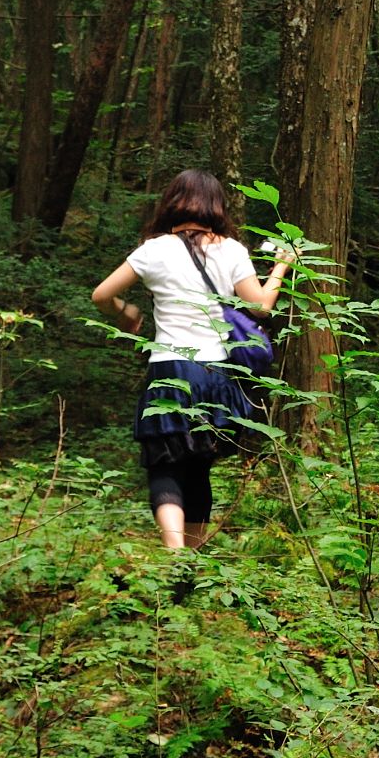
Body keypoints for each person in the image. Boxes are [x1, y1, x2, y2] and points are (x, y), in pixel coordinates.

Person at [91, 169, 291, 550]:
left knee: (164, 464)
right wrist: (282, 264)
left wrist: (126, 314)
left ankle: (174, 551)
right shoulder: (231, 249)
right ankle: (193, 558)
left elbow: (101, 295)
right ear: (216, 205)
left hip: (170, 366)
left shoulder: (152, 250)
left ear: (172, 202)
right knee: (199, 465)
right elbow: (262, 307)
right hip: (217, 372)